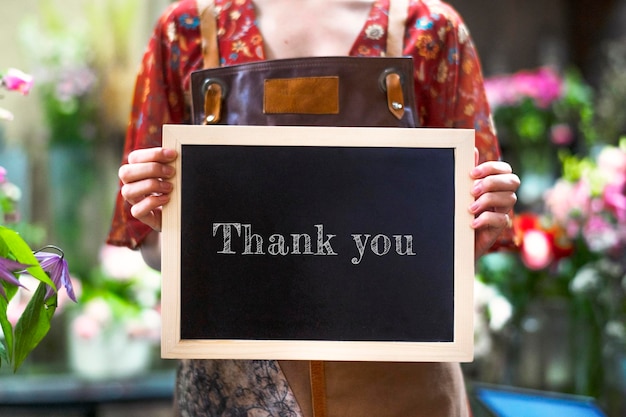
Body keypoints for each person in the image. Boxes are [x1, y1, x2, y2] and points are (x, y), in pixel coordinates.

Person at [108, 0, 520, 416]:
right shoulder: (187, 31)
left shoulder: (431, 31)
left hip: (400, 388)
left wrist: (480, 224)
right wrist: (170, 221)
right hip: (237, 390)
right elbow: (154, 250)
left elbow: (451, 244)